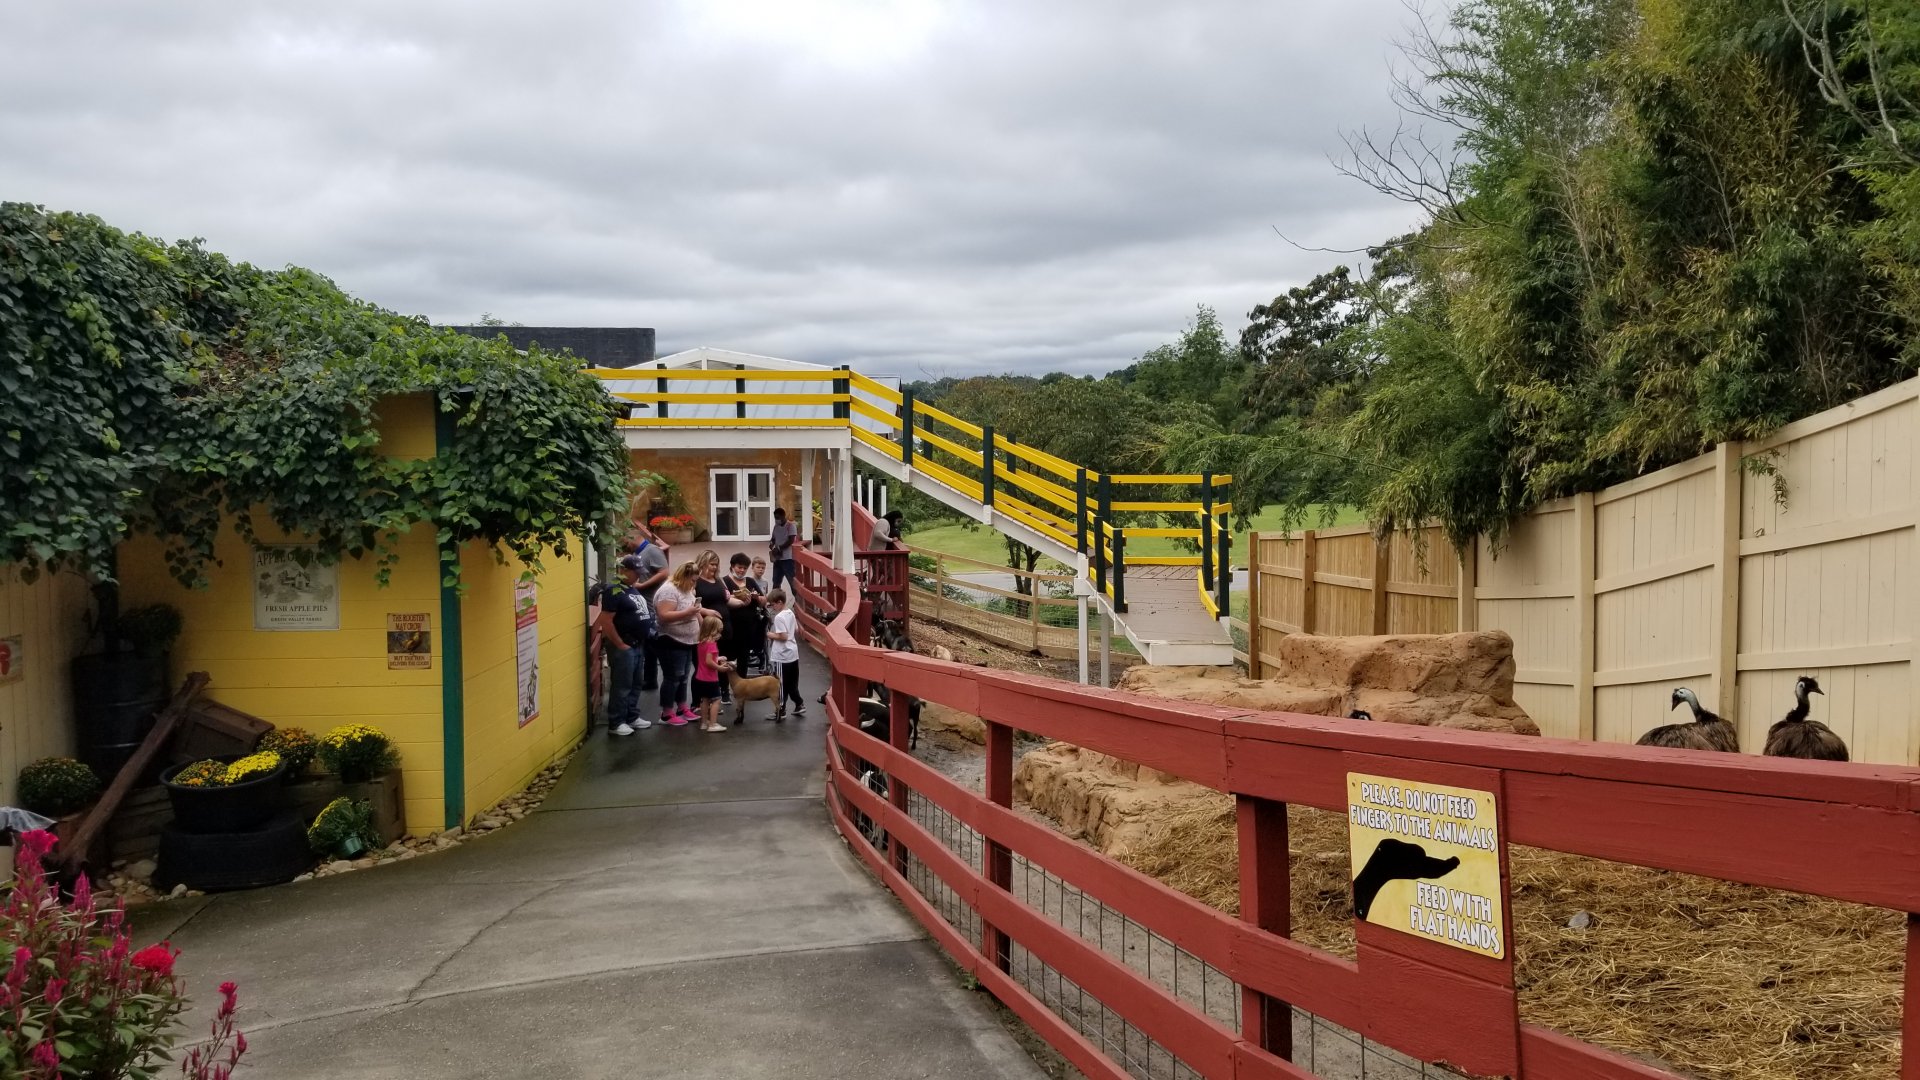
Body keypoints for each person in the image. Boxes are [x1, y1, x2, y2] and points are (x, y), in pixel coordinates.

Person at [592, 555, 653, 735]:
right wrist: (619, 643)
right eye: (636, 573)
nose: (639, 577)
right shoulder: (614, 590)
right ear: (624, 570)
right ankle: (617, 721)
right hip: (624, 644)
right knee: (622, 683)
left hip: (637, 644)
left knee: (635, 683)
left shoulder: (632, 589)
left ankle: (631, 715)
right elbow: (606, 620)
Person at [651, 560, 705, 726]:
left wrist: (702, 628)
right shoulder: (669, 590)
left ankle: (682, 707)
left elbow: (696, 611)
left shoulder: (687, 589)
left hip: (688, 641)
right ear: (684, 576)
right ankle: (667, 712)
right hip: (671, 640)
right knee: (673, 677)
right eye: (693, 580)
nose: (694, 583)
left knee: (683, 677)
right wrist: (687, 612)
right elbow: (664, 615)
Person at [692, 550, 745, 703]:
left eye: (716, 565)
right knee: (708, 661)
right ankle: (701, 698)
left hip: (725, 626)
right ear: (703, 563)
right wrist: (706, 611)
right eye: (711, 564)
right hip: (708, 629)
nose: (714, 568)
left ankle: (723, 690)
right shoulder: (696, 582)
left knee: (724, 658)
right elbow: (692, 603)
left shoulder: (719, 581)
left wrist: (742, 602)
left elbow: (727, 600)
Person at [628, 526, 672, 691]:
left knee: (654, 645)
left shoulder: (652, 550)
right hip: (643, 606)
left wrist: (641, 585)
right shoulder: (637, 553)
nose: (625, 545)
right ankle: (649, 679)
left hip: (653, 605)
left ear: (633, 538)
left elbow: (665, 572)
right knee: (647, 647)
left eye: (626, 541)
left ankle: (659, 679)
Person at [722, 552, 767, 677]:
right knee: (729, 657)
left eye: (744, 568)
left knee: (744, 656)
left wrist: (757, 598)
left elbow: (763, 601)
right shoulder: (724, 581)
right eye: (739, 567)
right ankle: (726, 687)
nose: (742, 570)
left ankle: (743, 684)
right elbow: (723, 601)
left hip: (748, 627)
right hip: (731, 627)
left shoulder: (751, 581)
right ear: (732, 566)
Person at [766, 589, 804, 720]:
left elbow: (783, 636)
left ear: (779, 602)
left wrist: (769, 634)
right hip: (793, 653)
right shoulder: (790, 613)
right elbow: (796, 630)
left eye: (772, 604)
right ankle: (799, 703)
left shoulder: (779, 617)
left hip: (782, 655)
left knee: (781, 683)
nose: (772, 607)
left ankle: (780, 709)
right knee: (792, 683)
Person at [691, 612, 728, 733]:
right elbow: (708, 662)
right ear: (713, 630)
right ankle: (712, 724)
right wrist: (719, 667)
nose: (720, 634)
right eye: (719, 631)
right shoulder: (712, 644)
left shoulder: (701, 642)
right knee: (716, 700)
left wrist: (717, 658)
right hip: (710, 678)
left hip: (700, 677)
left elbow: (705, 659)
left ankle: (704, 722)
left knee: (704, 700)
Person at [769, 507, 798, 593]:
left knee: (792, 580)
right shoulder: (776, 527)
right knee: (776, 581)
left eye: (778, 517)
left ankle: (797, 600)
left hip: (788, 558)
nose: (777, 520)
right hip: (777, 558)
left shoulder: (790, 526)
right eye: (775, 518)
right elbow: (773, 538)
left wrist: (779, 548)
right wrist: (771, 543)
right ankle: (774, 600)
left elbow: (791, 540)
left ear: (783, 516)